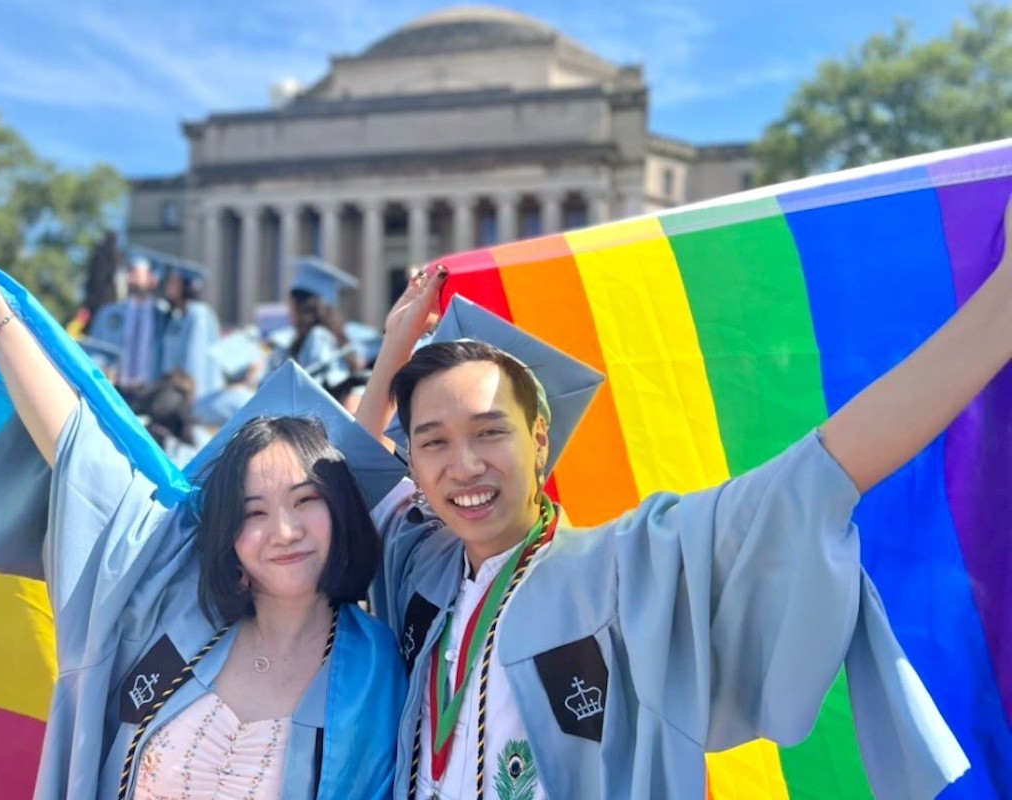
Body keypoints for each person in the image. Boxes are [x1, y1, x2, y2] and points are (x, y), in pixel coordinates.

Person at [353, 191, 1012, 800]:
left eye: (490, 432)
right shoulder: (425, 569)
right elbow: (358, 479)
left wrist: (1000, 308)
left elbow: (817, 476)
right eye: (433, 441)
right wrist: (393, 353)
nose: (463, 466)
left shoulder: (622, 568)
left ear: (540, 440)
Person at [0, 238, 407, 800]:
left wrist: (398, 348)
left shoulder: (377, 669)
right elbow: (80, 455)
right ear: (226, 532)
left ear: (340, 510)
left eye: (305, 501)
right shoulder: (177, 604)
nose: (284, 532)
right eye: (254, 511)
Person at [274, 258, 364, 408]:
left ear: (300, 306)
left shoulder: (318, 337)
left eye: (291, 304)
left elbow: (313, 386)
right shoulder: (324, 336)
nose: (288, 310)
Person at [87, 257, 167, 402]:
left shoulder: (163, 317)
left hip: (149, 394)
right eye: (130, 273)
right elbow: (95, 351)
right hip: (116, 390)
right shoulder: (109, 314)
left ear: (152, 279)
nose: (131, 279)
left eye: (136, 274)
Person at [159, 269, 224, 401]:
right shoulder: (177, 315)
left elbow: (196, 356)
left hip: (197, 392)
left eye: (174, 282)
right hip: (177, 389)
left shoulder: (198, 314)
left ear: (186, 286)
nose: (168, 286)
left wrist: (191, 392)